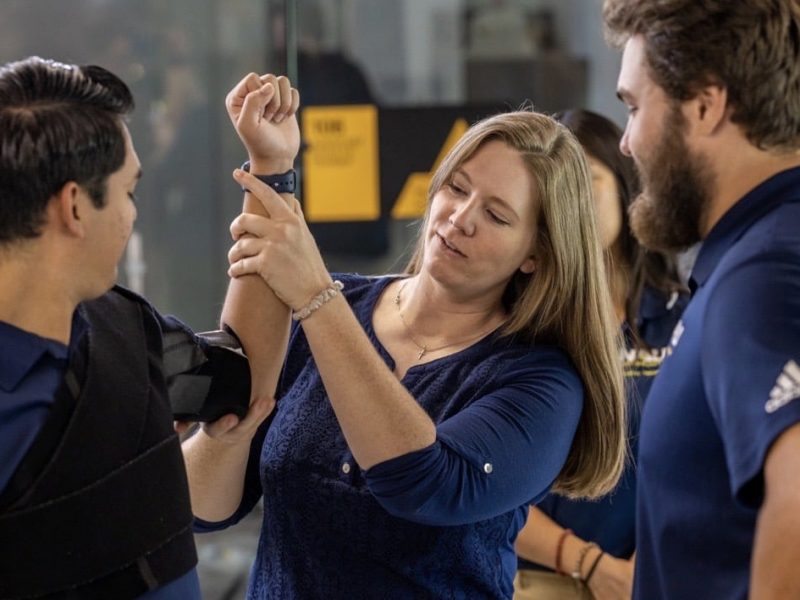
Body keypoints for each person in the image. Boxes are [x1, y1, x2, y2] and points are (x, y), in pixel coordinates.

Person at [182, 73, 627, 599]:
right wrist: (272, 168)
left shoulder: (541, 382)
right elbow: (203, 508)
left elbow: (423, 482)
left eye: (496, 215)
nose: (459, 219)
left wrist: (316, 297)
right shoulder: (336, 308)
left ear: (535, 255)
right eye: (457, 188)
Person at [0, 56, 247, 599]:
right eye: (128, 191)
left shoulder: (130, 333)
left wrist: (272, 172)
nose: (133, 215)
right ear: (74, 207)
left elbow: (243, 379)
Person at [602, 1, 800, 598]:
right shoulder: (758, 255)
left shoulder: (761, 273)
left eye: (635, 108)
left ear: (705, 106)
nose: (628, 144)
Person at [513, 109, 688, 600]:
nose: (572, 202)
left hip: (667, 575)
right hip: (541, 581)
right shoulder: (518, 325)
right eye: (555, 187)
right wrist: (589, 565)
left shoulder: (685, 317)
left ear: (627, 186)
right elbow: (482, 479)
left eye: (586, 179)